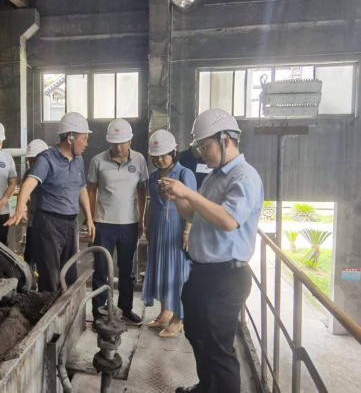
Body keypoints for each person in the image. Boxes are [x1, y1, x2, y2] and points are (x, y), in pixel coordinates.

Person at [159, 109, 263, 393]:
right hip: (203, 272)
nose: (202, 153)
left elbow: (228, 221)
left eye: (205, 147)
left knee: (219, 349)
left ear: (226, 140)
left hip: (226, 276)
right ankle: (207, 387)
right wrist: (176, 197)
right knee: (196, 334)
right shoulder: (215, 176)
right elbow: (194, 215)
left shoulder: (244, 176)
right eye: (199, 148)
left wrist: (188, 192)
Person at [4, 112, 95, 292]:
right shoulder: (46, 159)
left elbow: (82, 189)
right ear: (70, 138)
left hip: (71, 223)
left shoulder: (78, 160)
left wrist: (90, 219)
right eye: (84, 139)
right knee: (50, 275)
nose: (86, 144)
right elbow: (28, 183)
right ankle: (48, 307)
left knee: (69, 273)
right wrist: (20, 208)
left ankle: (67, 308)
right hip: (49, 224)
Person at [88, 119, 147, 326]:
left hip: (129, 224)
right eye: (114, 142)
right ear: (108, 141)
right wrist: (91, 219)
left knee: (126, 270)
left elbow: (141, 190)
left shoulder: (139, 160)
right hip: (103, 223)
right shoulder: (97, 161)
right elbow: (92, 190)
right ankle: (98, 311)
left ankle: (126, 309)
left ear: (130, 140)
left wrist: (141, 219)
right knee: (101, 269)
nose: (119, 146)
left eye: (122, 142)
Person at [141, 129, 197, 337]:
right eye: (156, 156)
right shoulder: (153, 176)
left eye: (164, 155)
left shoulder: (184, 174)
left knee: (176, 274)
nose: (160, 159)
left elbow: (191, 204)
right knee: (161, 271)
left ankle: (178, 319)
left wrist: (187, 232)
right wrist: (147, 225)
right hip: (157, 228)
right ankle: (165, 311)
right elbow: (151, 203)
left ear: (173, 152)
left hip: (176, 227)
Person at [22, 139, 49, 266]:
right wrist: (27, 205)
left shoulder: (51, 173)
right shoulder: (28, 174)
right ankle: (29, 277)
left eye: (35, 161)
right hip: (33, 222)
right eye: (30, 160)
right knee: (30, 255)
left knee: (47, 257)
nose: (32, 164)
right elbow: (24, 192)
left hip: (49, 224)